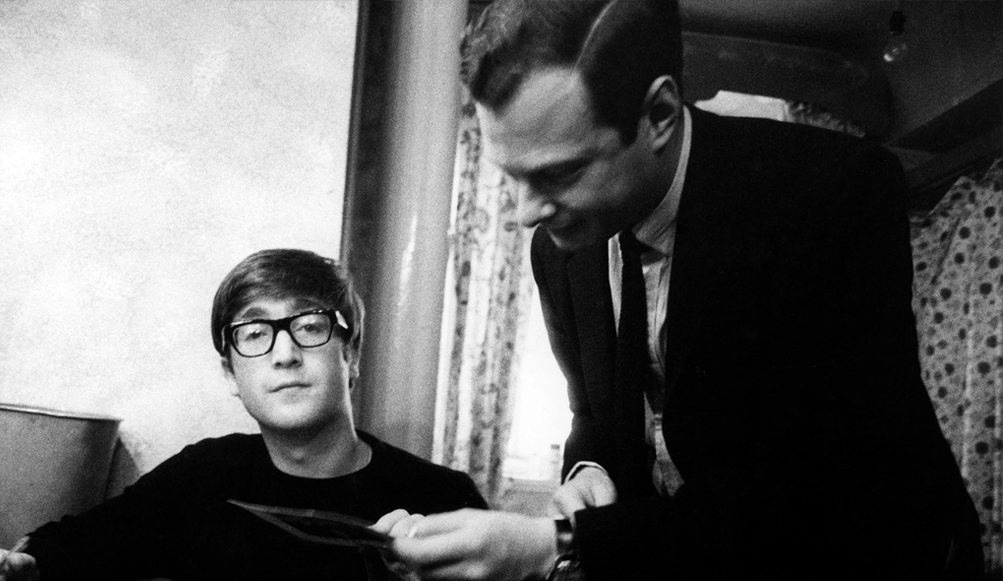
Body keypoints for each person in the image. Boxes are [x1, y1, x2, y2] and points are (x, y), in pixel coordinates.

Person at [379, 1, 984, 579]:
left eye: (559, 172)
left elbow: (830, 490)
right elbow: (592, 411)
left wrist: (558, 546)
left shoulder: (833, 194)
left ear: (661, 114)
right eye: (511, 176)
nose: (525, 212)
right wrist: (591, 468)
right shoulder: (559, 249)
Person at [0, 248, 487, 581]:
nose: (284, 353)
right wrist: (19, 566)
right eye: (254, 333)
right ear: (231, 374)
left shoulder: (442, 499)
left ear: (351, 355)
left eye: (309, 326)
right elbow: (76, 546)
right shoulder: (201, 479)